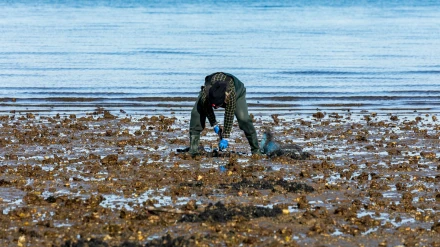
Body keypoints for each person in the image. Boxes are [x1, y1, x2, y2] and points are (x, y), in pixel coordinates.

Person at [189, 72, 261, 157]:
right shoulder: (206, 93)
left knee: (243, 119)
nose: (215, 108)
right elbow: (207, 108)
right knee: (196, 114)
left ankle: (256, 150)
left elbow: (229, 115)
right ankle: (193, 150)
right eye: (213, 106)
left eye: (217, 106)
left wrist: (225, 137)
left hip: (238, 92)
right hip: (210, 93)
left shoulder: (231, 94)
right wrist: (214, 124)